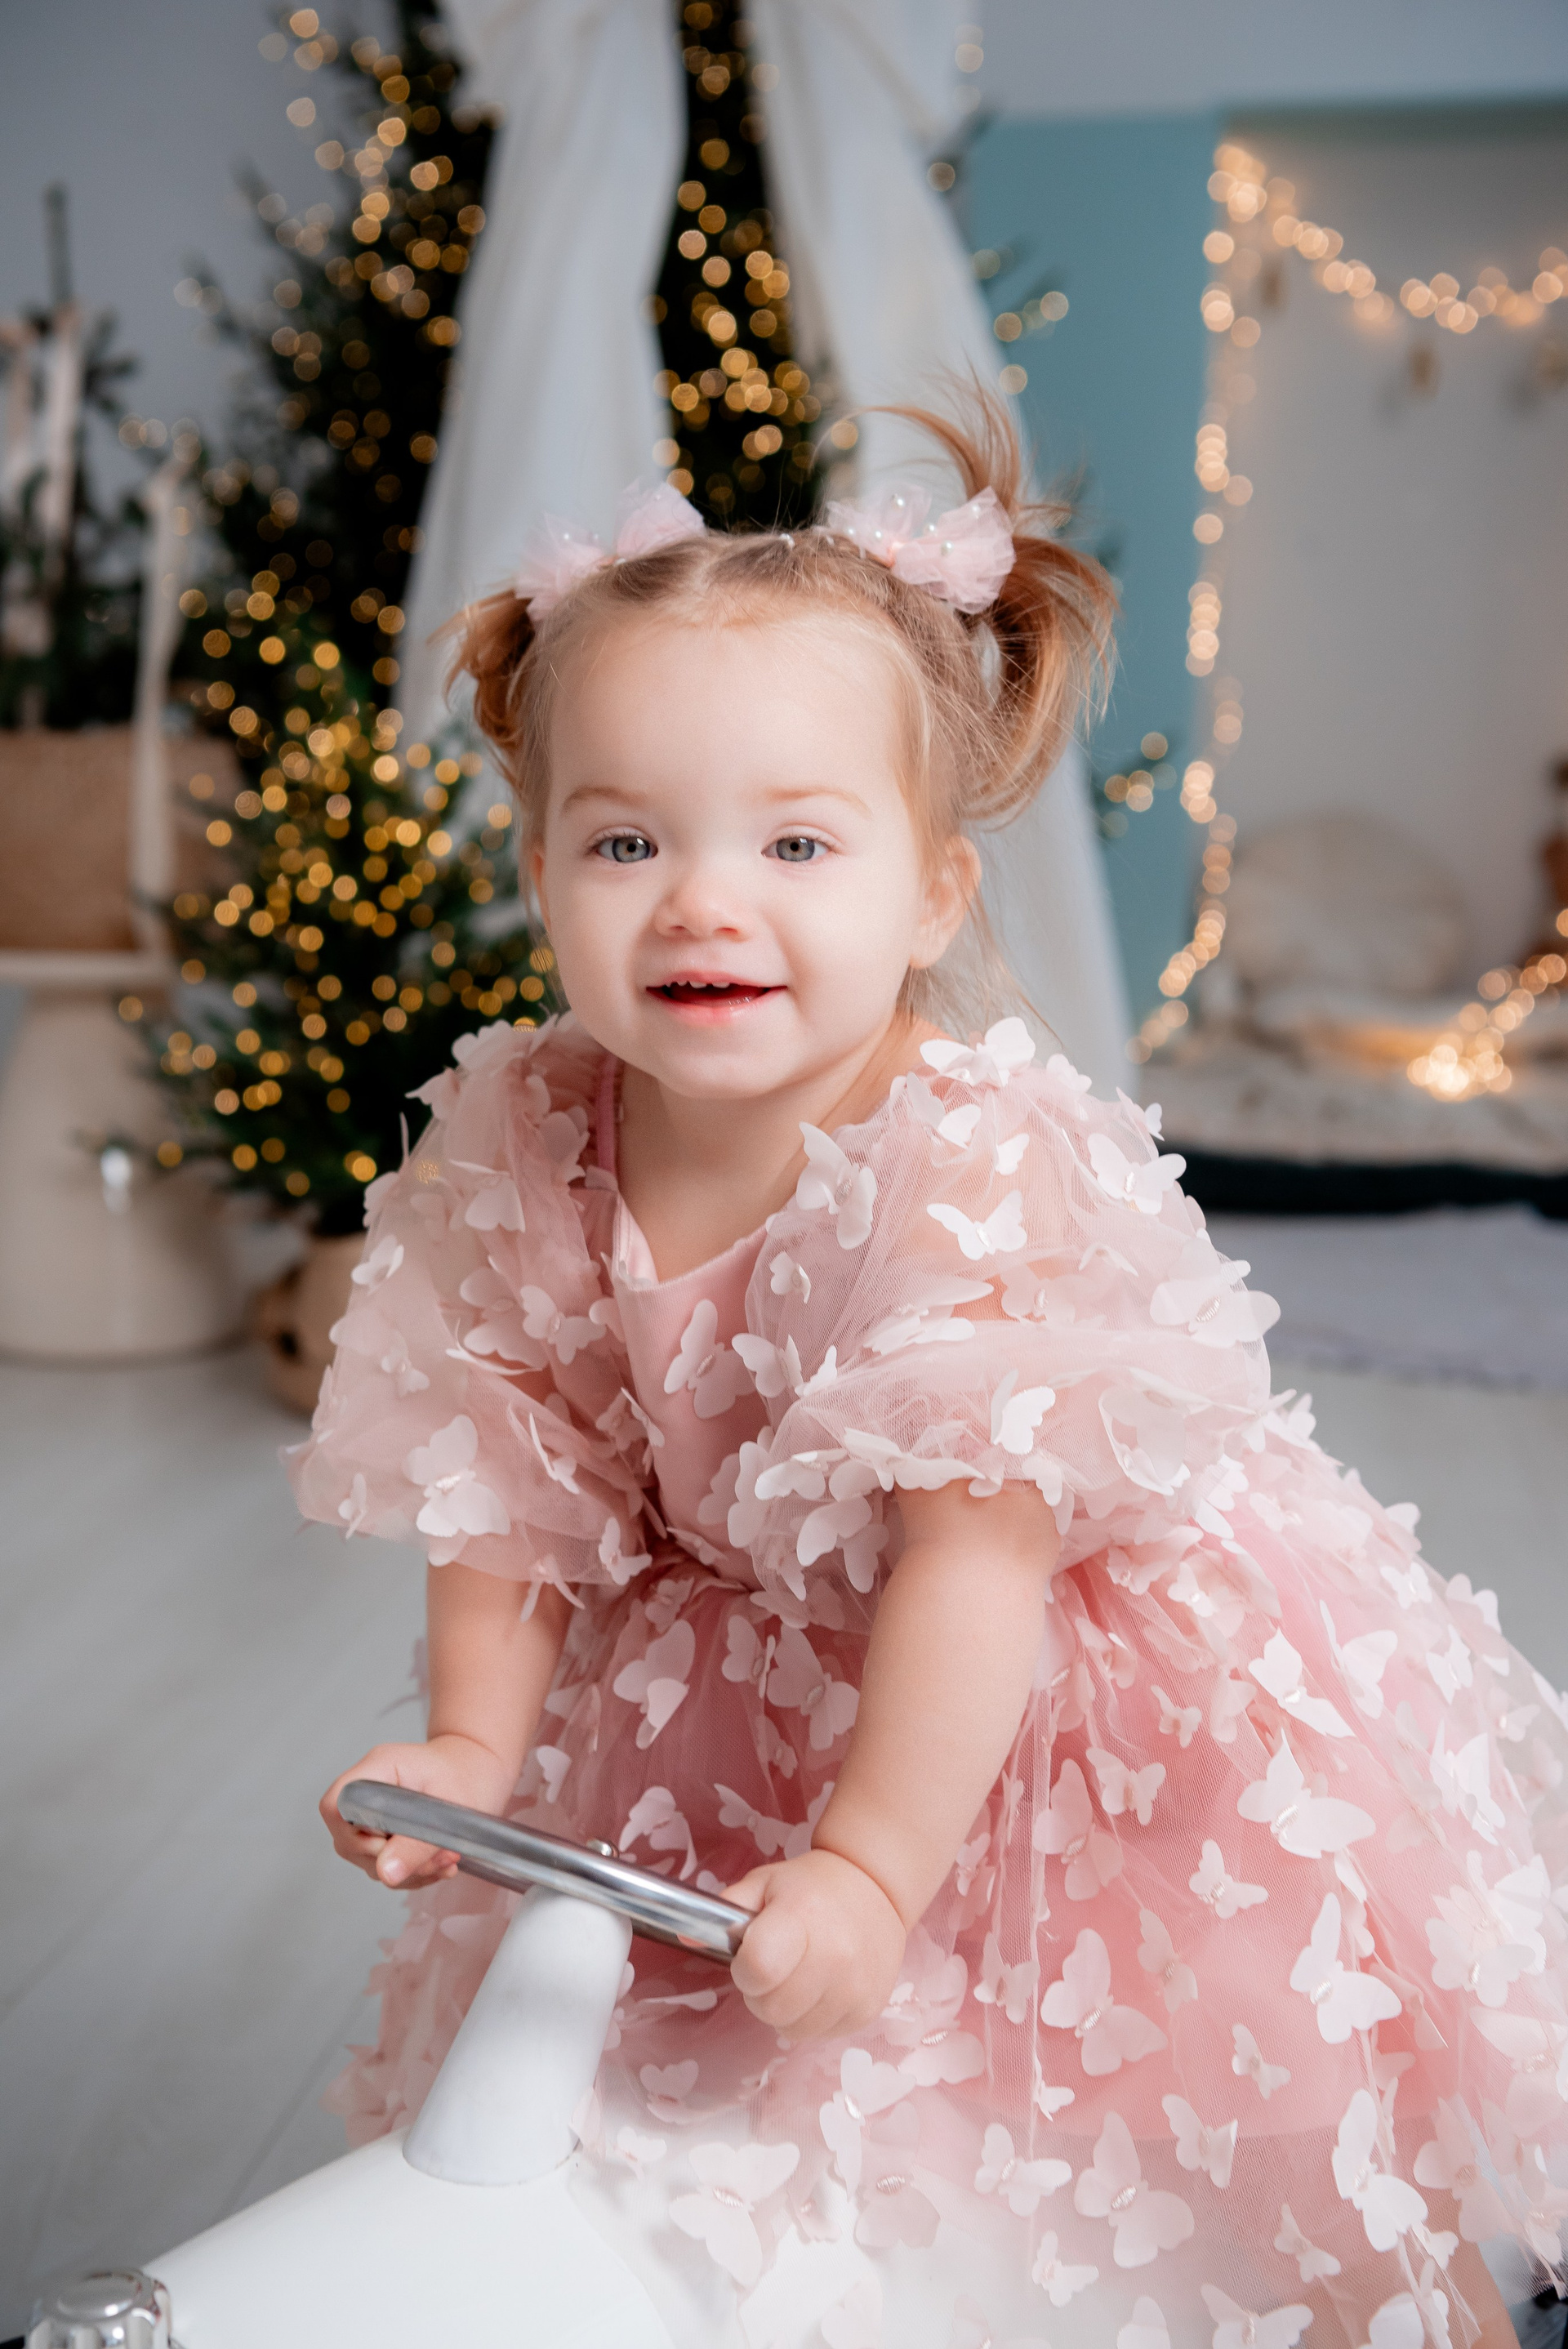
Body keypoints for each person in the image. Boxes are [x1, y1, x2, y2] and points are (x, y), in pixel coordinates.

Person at [292, 399, 1563, 2348]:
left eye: (798, 841)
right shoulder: (532, 1130)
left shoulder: (964, 1164)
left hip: (1043, 1681)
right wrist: (472, 1746)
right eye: (626, 839)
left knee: (1189, 2119)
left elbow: (975, 1566)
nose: (704, 899)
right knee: (752, 2114)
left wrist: (878, 1871)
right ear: (543, 868)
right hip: (744, 1664)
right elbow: (508, 1479)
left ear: (934, 894)